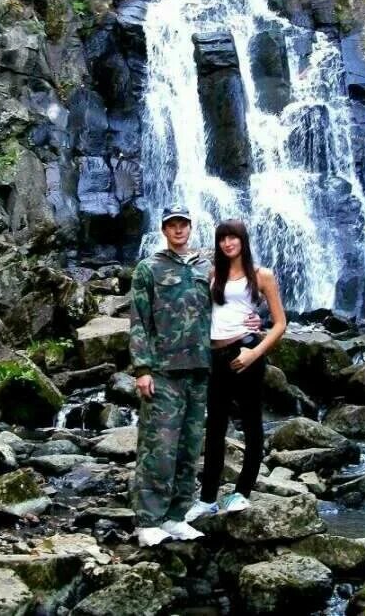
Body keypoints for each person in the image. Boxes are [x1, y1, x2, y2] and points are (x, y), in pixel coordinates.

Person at [185, 219, 286, 520]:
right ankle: (206, 499)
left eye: (233, 238)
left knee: (252, 424)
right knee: (215, 428)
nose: (227, 243)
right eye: (222, 239)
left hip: (246, 352)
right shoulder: (213, 274)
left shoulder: (262, 275)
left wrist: (255, 352)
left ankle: (241, 493)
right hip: (216, 355)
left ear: (243, 241)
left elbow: (280, 323)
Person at [129, 204, 213, 547]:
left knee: (189, 447)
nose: (178, 230)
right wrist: (142, 368)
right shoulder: (148, 268)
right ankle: (148, 521)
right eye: (172, 225)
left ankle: (177, 516)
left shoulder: (205, 267)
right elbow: (139, 321)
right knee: (158, 447)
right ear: (164, 230)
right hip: (163, 371)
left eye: (183, 224)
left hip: (200, 369)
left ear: (190, 227)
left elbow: (225, 307)